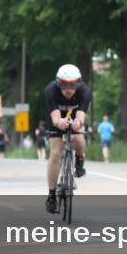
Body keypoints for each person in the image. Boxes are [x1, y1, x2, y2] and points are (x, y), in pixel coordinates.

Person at [44, 64, 92, 214]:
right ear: (59, 84)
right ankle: (52, 195)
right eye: (64, 86)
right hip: (57, 119)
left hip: (75, 118)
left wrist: (78, 123)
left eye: (72, 86)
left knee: (78, 138)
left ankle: (79, 159)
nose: (69, 90)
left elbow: (81, 117)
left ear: (78, 84)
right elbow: (55, 118)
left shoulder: (85, 91)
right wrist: (60, 123)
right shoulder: (51, 90)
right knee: (56, 153)